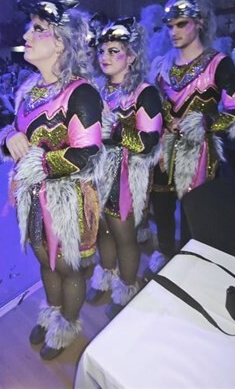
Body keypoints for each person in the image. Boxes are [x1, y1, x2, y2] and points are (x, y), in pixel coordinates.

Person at [0, 0, 103, 360]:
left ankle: (67, 325)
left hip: (68, 199)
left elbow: (87, 153)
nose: (26, 35)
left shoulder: (81, 92)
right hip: (31, 197)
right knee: (45, 262)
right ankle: (52, 311)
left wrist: (37, 163)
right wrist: (10, 137)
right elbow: (14, 132)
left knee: (69, 268)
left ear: (61, 42)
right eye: (30, 28)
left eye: (38, 29)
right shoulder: (28, 89)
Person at [149, 0, 235, 273]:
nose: (173, 31)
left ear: (199, 22)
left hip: (199, 155)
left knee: (195, 218)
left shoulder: (218, 64)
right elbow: (153, 108)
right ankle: (166, 260)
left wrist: (204, 122)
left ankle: (192, 270)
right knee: (162, 212)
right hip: (162, 152)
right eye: (170, 25)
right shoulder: (161, 66)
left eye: (181, 24)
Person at [86, 17, 162, 319]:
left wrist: (114, 129)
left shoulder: (146, 93)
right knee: (102, 229)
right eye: (102, 51)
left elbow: (149, 142)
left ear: (131, 56)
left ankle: (127, 287)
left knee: (124, 236)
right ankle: (105, 275)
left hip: (127, 174)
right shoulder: (96, 90)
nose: (104, 57)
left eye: (113, 51)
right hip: (96, 170)